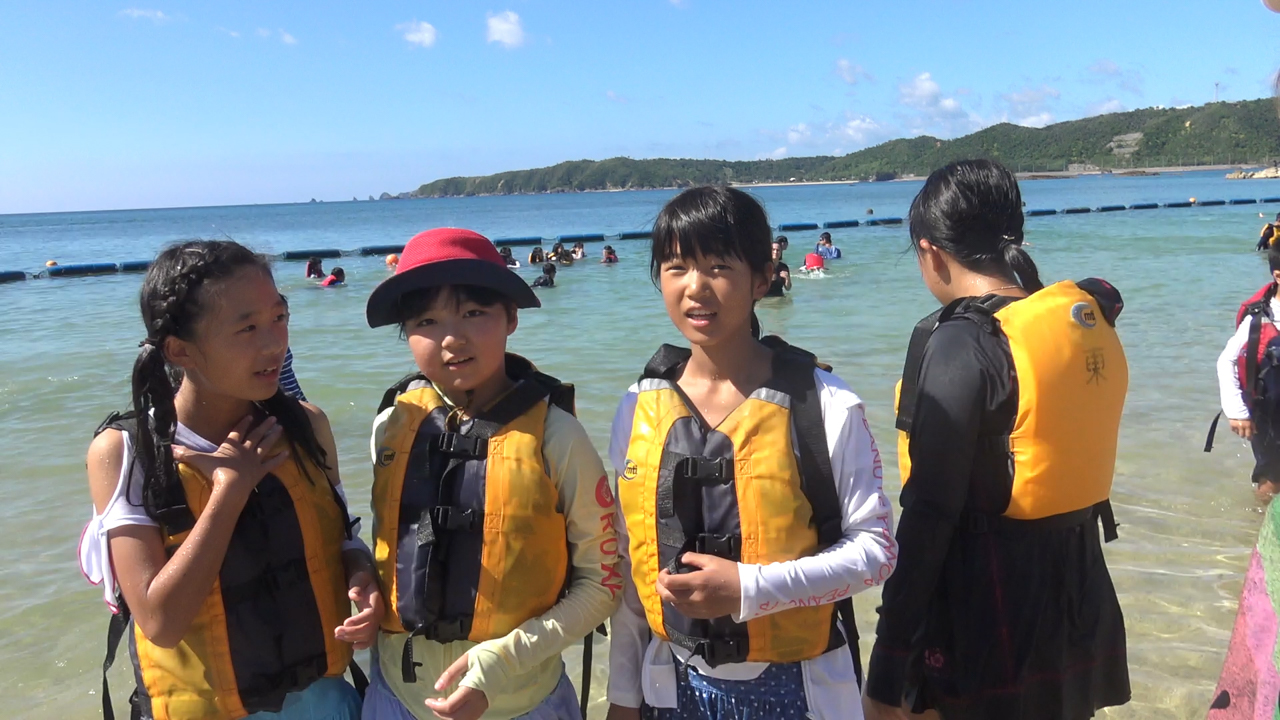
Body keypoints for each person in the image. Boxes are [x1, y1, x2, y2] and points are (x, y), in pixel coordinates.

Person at [606, 186, 896, 720]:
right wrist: (623, 696)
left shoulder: (824, 402)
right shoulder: (637, 407)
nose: (695, 288)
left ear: (763, 278)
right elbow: (630, 564)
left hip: (798, 689)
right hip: (670, 687)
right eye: (676, 267)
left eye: (718, 266)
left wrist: (747, 588)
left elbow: (876, 551)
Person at [865, 160, 1130, 720]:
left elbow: (930, 515)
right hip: (1077, 596)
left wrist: (887, 671)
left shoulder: (963, 342)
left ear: (930, 251)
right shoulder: (1075, 320)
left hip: (989, 612)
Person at [79, 240, 381, 720]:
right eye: (247, 328)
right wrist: (229, 493)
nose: (274, 343)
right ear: (180, 350)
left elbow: (344, 541)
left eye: (279, 318)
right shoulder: (127, 453)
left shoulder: (306, 426)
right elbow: (160, 621)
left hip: (324, 702)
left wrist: (362, 578)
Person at [361, 228, 620, 720]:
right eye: (426, 321)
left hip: (523, 702)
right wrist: (363, 589)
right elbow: (380, 552)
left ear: (512, 318)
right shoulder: (390, 426)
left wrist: (505, 659)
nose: (452, 338)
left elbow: (603, 582)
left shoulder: (557, 436)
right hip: (396, 697)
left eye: (474, 313)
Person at [1215, 247, 1280, 501]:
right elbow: (1227, 361)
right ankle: (1263, 529)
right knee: (1273, 477)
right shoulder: (1259, 317)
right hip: (1269, 408)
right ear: (1278, 275)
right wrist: (1237, 412)